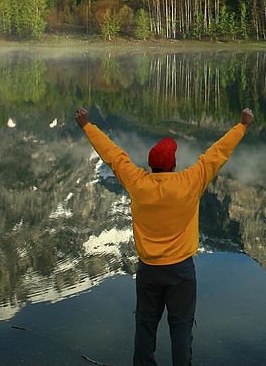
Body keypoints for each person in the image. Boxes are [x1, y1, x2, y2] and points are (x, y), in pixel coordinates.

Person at [75, 107, 254, 366]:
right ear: (172, 164)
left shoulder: (138, 183)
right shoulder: (189, 182)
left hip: (149, 270)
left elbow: (113, 155)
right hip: (181, 271)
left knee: (145, 326)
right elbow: (217, 154)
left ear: (151, 165)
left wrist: (87, 126)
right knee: (181, 330)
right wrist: (242, 126)